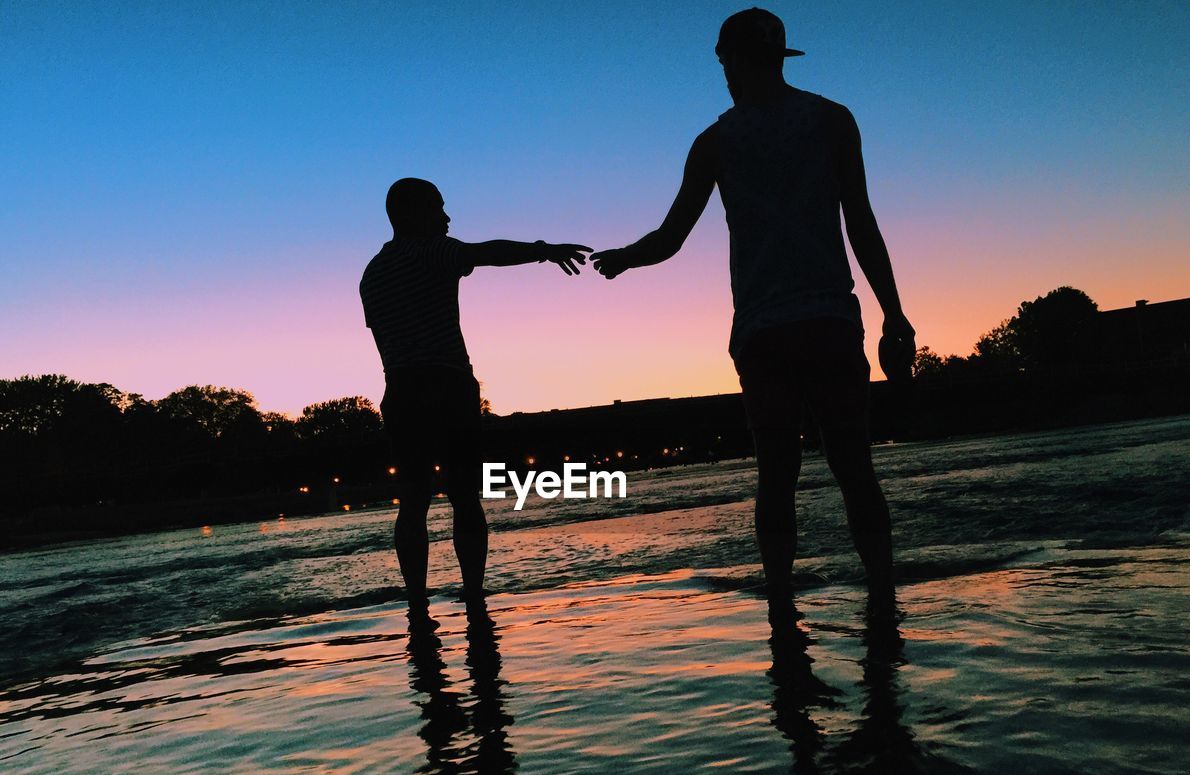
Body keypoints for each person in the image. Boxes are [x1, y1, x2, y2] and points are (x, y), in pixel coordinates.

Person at [590, 8, 916, 624]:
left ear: (733, 61)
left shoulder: (716, 142)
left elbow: (671, 237)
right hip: (829, 320)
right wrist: (894, 315)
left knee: (776, 474)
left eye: (723, 62)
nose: (724, 74)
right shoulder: (832, 120)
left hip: (762, 331)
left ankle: (781, 615)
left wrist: (625, 261)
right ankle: (882, 600)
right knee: (854, 468)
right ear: (780, 58)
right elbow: (861, 223)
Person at [360, 177, 590, 633]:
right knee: (465, 496)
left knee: (412, 502)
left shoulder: (372, 273)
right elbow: (486, 252)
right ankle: (473, 597)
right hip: (446, 385)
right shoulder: (431, 250)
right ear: (410, 214)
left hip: (399, 391)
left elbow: (383, 338)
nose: (447, 219)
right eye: (439, 209)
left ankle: (417, 604)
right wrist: (545, 249)